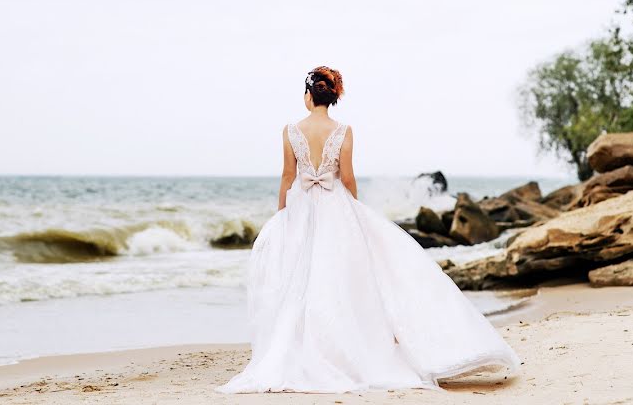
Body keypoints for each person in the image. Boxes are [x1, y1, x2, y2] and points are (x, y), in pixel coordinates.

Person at [215, 66, 522, 394]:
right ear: (331, 97)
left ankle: (302, 348)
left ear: (308, 95)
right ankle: (347, 345)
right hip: (335, 206)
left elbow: (288, 177)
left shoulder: (290, 130)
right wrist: (354, 209)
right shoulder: (344, 131)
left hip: (301, 209)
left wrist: (282, 214)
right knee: (342, 279)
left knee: (301, 278)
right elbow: (347, 177)